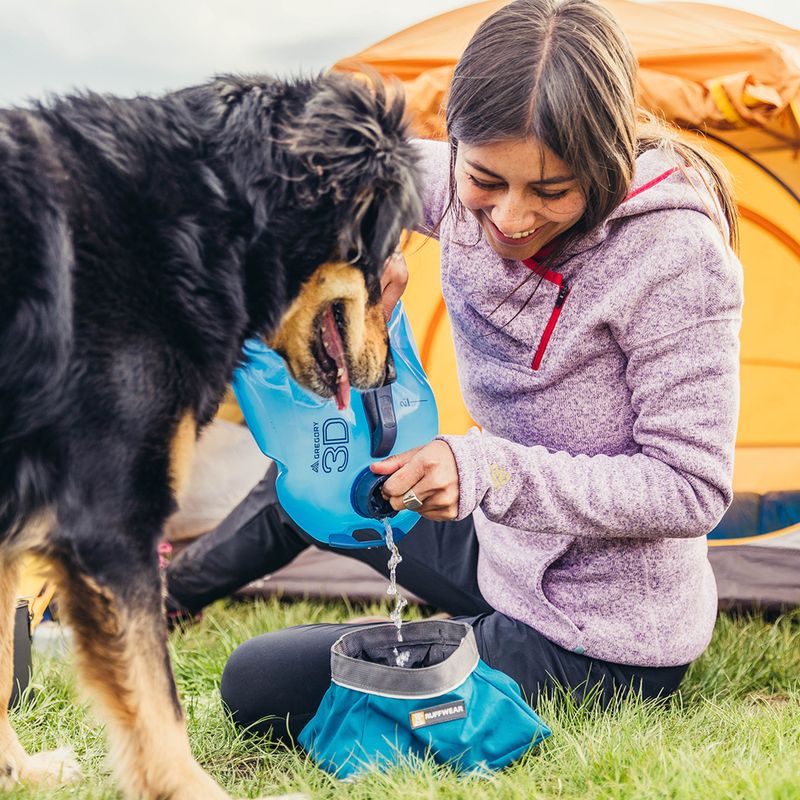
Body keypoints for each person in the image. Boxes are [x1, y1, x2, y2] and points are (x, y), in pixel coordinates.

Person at [166, 0, 743, 743]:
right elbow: (295, 168)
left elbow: (690, 487)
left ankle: (481, 648)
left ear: (608, 162)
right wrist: (354, 260)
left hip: (600, 632)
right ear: (458, 144)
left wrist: (484, 470)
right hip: (502, 552)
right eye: (485, 180)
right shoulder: (453, 183)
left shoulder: (674, 258)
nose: (509, 217)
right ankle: (164, 595)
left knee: (259, 684)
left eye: (553, 190)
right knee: (329, 466)